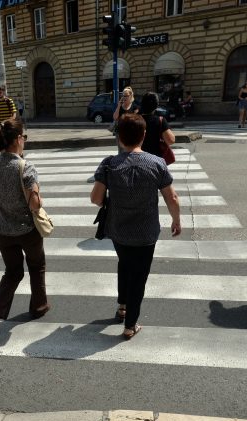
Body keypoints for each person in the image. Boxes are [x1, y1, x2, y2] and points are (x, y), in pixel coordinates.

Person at [90, 113, 181, 340]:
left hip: (118, 229)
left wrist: (113, 200)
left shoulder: (109, 164)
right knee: (139, 275)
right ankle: (130, 325)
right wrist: (176, 220)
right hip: (146, 231)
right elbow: (173, 198)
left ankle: (122, 306)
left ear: (119, 137)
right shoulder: (157, 163)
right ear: (143, 135)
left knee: (124, 264)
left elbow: (95, 198)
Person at [0, 118, 49, 335]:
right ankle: (38, 306)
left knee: (12, 271)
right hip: (26, 230)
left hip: (2, 230)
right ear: (17, 140)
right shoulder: (25, 167)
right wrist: (37, 192)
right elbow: (35, 203)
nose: (24, 141)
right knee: (36, 265)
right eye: (23, 137)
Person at [139, 92, 175, 156]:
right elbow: (171, 140)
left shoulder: (134, 120)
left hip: (137, 157)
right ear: (156, 105)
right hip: (156, 158)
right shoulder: (160, 120)